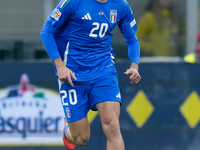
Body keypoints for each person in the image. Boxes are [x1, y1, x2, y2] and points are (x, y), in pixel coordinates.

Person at [40, 0, 141, 149]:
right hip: (72, 74)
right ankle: (68, 128)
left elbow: (132, 39)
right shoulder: (73, 2)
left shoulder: (121, 5)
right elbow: (46, 32)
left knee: (112, 127)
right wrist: (60, 66)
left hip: (104, 71)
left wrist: (134, 66)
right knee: (81, 138)